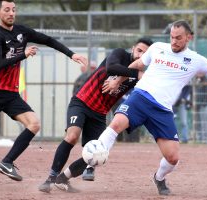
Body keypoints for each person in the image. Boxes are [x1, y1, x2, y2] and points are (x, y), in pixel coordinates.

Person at [54, 20, 207, 195]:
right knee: (112, 129)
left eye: (179, 38)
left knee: (172, 158)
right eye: (172, 36)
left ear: (189, 37)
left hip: (162, 110)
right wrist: (118, 80)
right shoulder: (158, 48)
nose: (174, 41)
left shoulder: (196, 60)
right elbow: (137, 65)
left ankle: (159, 179)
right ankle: (64, 175)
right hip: (140, 98)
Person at [0, 0, 87, 182]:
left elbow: (48, 40)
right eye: (6, 10)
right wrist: (24, 54)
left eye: (13, 10)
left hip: (11, 95)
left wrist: (71, 54)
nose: (11, 13)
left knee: (34, 123)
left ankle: (7, 162)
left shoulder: (22, 31)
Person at [38, 38, 153, 193]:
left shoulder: (140, 76)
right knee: (72, 136)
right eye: (139, 50)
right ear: (133, 48)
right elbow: (112, 68)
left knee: (97, 152)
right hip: (82, 102)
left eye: (145, 54)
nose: (140, 55)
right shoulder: (120, 54)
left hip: (100, 113)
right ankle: (50, 178)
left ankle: (63, 179)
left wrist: (120, 82)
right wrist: (135, 74)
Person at [195, 74, 207, 143]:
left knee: (204, 122)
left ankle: (205, 139)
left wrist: (204, 103)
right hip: (196, 105)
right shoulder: (195, 80)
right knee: (197, 123)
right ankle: (199, 138)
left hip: (204, 105)